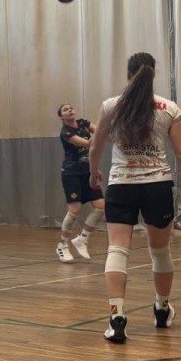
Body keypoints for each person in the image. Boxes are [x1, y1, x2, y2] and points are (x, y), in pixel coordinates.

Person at [87, 52, 181, 343]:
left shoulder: (111, 105)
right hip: (157, 186)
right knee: (160, 251)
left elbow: (96, 145)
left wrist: (93, 173)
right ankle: (162, 309)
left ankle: (117, 317)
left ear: (128, 74)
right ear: (153, 75)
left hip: (121, 185)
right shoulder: (169, 108)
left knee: (118, 249)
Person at [55, 103, 105, 263]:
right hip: (71, 173)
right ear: (61, 117)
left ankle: (82, 239)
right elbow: (88, 144)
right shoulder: (66, 132)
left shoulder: (83, 123)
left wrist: (94, 168)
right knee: (74, 210)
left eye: (71, 108)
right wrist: (102, 130)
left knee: (100, 206)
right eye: (65, 109)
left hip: (87, 171)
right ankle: (62, 245)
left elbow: (100, 131)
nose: (70, 110)